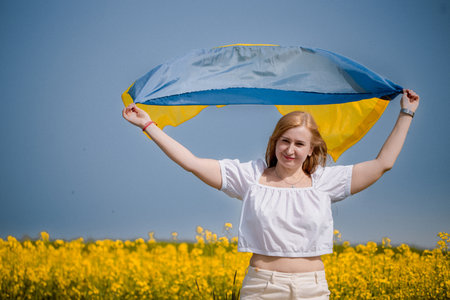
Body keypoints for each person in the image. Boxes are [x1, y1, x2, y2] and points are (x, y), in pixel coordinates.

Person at [122, 89, 420, 299]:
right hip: (262, 287)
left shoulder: (324, 181)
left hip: (312, 288)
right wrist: (148, 125)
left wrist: (406, 112)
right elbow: (192, 163)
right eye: (285, 141)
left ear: (312, 149)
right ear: (275, 141)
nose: (290, 150)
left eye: (299, 144)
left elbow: (383, 164)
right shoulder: (251, 176)